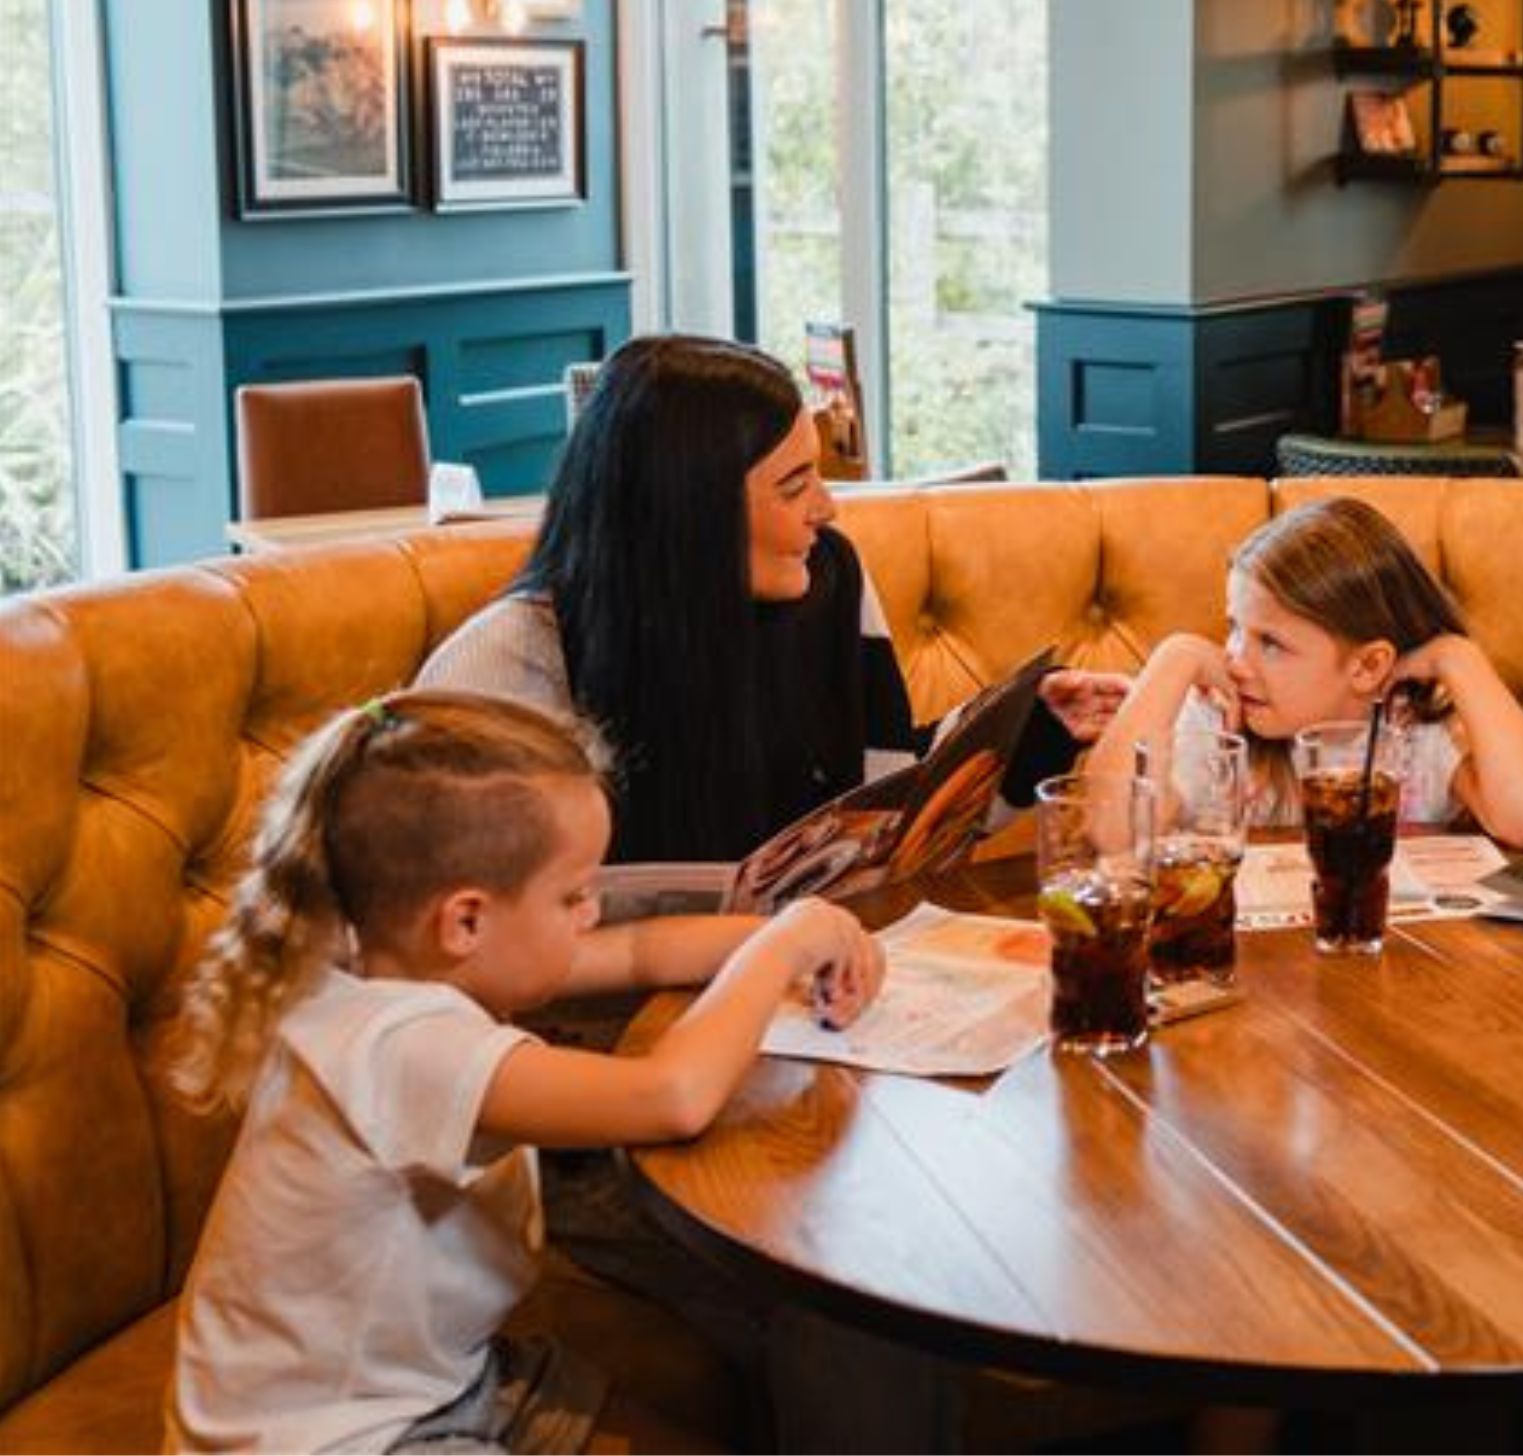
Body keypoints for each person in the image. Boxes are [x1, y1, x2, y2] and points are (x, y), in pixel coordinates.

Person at [163, 690, 885, 1453]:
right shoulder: (402, 1046)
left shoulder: (389, 966)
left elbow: (639, 952)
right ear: (466, 920)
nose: (591, 914)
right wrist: (784, 946)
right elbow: (671, 1097)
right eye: (573, 895)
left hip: (443, 1379)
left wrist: (807, 935)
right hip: (333, 1439)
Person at [418, 333, 1129, 865]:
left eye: (818, 475)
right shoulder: (507, 663)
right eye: (793, 487)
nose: (826, 508)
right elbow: (434, 929)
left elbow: (881, 800)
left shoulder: (829, 576)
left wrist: (1031, 731)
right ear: (688, 512)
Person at [1085, 495, 1523, 847]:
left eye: (1270, 643)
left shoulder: (1415, 731)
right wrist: (1174, 657)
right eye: (1234, 628)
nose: (1236, 661)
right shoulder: (1215, 720)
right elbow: (1110, 831)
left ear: (1368, 666)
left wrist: (1457, 656)